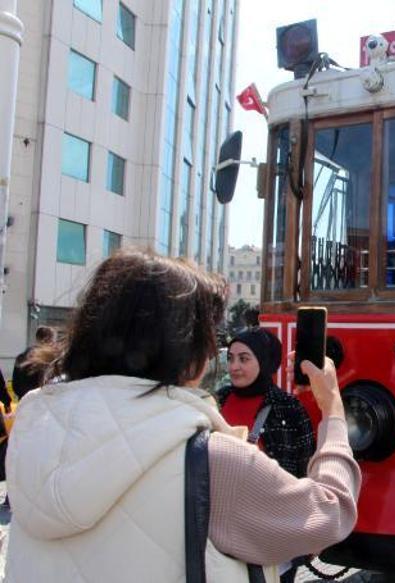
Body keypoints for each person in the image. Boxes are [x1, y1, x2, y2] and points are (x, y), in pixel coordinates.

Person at [4, 249, 360, 582]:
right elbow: (330, 515)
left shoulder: (33, 428)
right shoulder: (212, 459)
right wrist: (333, 408)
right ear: (189, 353)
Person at [220, 328, 316, 582]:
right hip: (221, 531)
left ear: (265, 361)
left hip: (272, 531)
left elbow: (305, 470)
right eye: (230, 358)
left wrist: (311, 528)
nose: (234, 366)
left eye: (244, 358)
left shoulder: (288, 407)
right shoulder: (217, 401)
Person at [11, 325, 55, 400]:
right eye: (52, 340)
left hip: (24, 401)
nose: (54, 343)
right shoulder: (46, 360)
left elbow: (15, 385)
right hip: (41, 401)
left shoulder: (21, 357)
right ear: (48, 340)